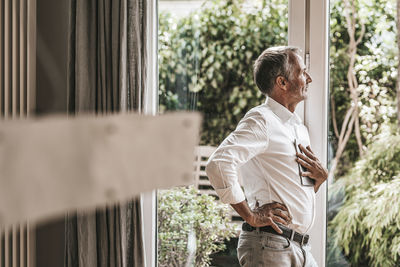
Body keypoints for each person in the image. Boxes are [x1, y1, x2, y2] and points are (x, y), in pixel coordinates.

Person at [205, 46, 328, 267]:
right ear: (282, 82)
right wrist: (250, 216)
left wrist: (316, 182)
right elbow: (219, 164)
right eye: (302, 72)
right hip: (270, 246)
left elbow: (288, 190)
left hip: (298, 247)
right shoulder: (261, 120)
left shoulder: (298, 128)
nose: (308, 78)